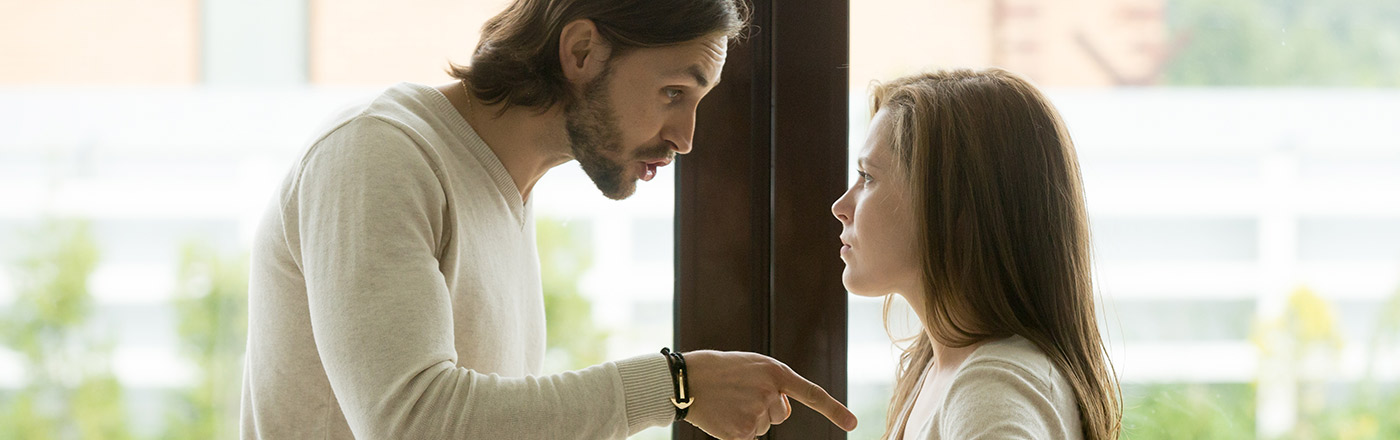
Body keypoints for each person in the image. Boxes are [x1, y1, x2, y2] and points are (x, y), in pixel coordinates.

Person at [239, 1, 857, 438]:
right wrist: (675, 385)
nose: (686, 137)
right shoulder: (377, 153)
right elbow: (414, 423)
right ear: (582, 51)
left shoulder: (503, 189)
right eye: (675, 92)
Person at [831, 68, 1123, 439]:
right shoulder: (940, 370)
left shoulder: (991, 389)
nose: (841, 206)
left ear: (956, 210)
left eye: (868, 177)